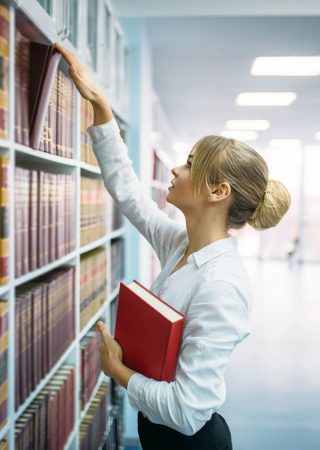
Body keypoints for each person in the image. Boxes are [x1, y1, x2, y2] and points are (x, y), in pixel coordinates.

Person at [54, 44, 291, 450]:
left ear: (217, 191)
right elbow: (130, 194)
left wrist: (118, 370)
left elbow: (186, 411)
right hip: (157, 433)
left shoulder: (222, 287)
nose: (177, 169)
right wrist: (102, 109)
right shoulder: (182, 244)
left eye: (191, 163)